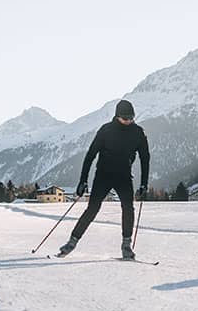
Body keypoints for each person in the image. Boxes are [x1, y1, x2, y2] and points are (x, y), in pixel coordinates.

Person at [58, 100, 150, 260]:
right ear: (117, 116)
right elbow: (90, 155)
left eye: (131, 118)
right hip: (103, 176)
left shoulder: (138, 132)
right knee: (92, 209)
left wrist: (144, 184)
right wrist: (83, 180)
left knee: (128, 208)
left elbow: (145, 159)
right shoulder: (106, 130)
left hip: (124, 176)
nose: (128, 121)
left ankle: (126, 246)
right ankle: (71, 242)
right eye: (125, 118)